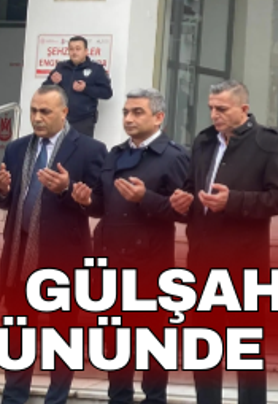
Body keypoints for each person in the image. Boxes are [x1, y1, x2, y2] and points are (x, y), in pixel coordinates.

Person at [168, 80, 278, 404]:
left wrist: (233, 201)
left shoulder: (270, 143)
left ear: (244, 109)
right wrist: (183, 201)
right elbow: (192, 186)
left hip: (245, 262)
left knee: (246, 346)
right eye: (211, 108)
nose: (214, 114)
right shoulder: (204, 141)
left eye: (221, 109)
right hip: (202, 257)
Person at [72, 88, 189, 404]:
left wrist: (145, 198)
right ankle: (119, 397)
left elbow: (186, 211)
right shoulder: (115, 153)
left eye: (137, 112)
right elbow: (102, 204)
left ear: (158, 117)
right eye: (126, 112)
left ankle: (155, 398)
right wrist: (85, 200)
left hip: (150, 264)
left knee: (152, 339)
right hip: (110, 259)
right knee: (114, 338)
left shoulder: (174, 156)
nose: (128, 118)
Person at [0, 85, 106, 404]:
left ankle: (57, 397)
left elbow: (100, 205)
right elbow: (6, 200)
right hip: (18, 256)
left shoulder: (90, 150)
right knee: (19, 333)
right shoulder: (17, 149)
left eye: (45, 112)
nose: (37, 118)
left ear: (64, 113)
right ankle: (14, 397)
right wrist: (1, 191)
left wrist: (69, 191)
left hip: (63, 258)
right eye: (33, 111)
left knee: (63, 334)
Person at [44, 35, 114, 137]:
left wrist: (86, 88)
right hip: (60, 118)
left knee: (81, 147)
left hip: (83, 121)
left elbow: (107, 93)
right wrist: (52, 82)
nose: (74, 52)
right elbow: (44, 89)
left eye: (78, 49)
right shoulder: (61, 67)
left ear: (86, 51)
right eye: (71, 49)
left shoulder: (96, 69)